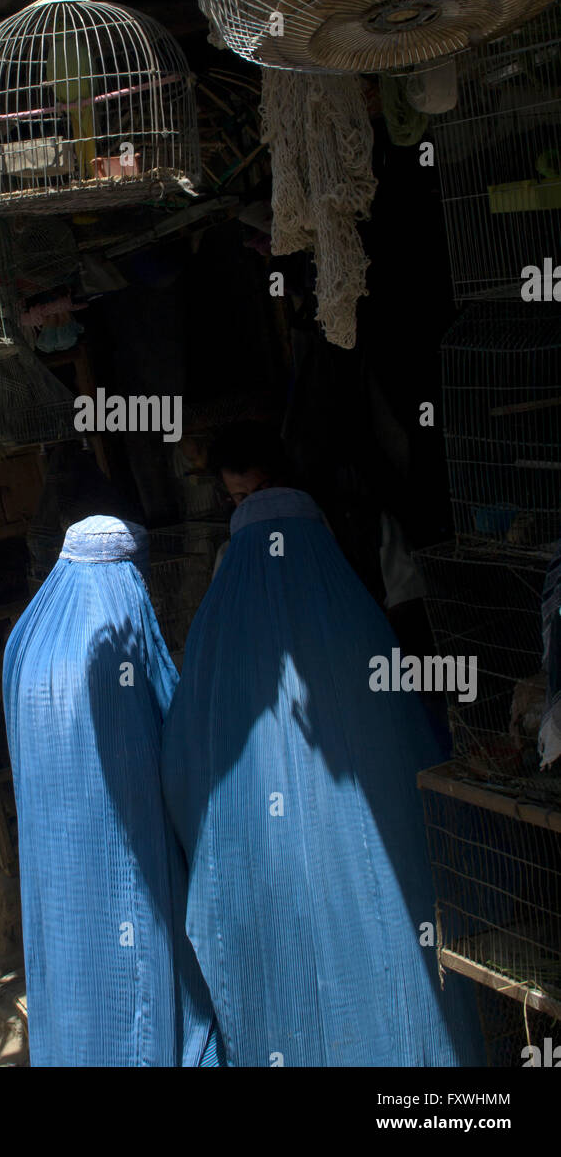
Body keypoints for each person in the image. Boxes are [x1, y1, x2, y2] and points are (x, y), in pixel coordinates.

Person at [161, 429, 485, 1067]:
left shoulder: (235, 616)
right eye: (235, 502)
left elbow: (183, 761)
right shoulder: (345, 603)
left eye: (250, 498)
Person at [3, 515, 222, 1067]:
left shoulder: (24, 645)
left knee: (77, 986)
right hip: (130, 870)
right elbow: (179, 753)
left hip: (57, 883)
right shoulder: (124, 651)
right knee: (140, 994)